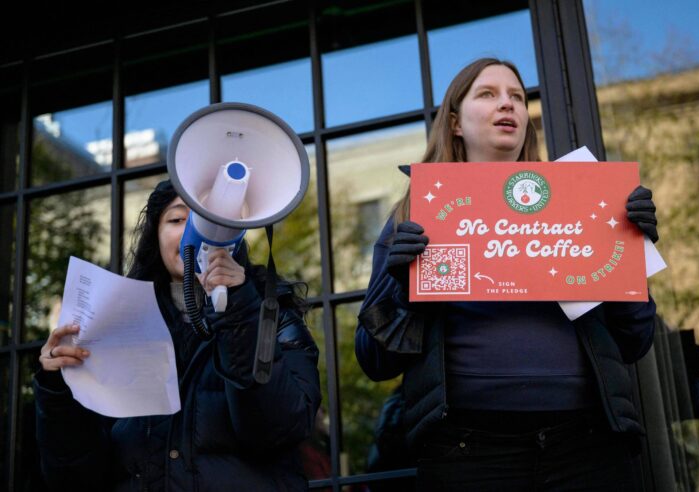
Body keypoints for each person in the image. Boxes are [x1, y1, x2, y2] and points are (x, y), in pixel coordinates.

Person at [355, 58, 659, 491]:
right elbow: (374, 360)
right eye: (488, 94)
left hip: (589, 445)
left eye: (517, 96)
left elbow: (634, 341)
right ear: (456, 123)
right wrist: (404, 293)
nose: (508, 105)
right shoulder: (414, 217)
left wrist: (630, 253)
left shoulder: (583, 206)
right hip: (468, 453)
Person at [34, 179, 321, 491]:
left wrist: (240, 310)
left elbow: (279, 429)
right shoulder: (115, 326)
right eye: (177, 219)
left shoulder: (271, 315)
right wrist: (58, 389)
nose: (192, 232)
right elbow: (73, 477)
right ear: (155, 236)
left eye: (206, 220)